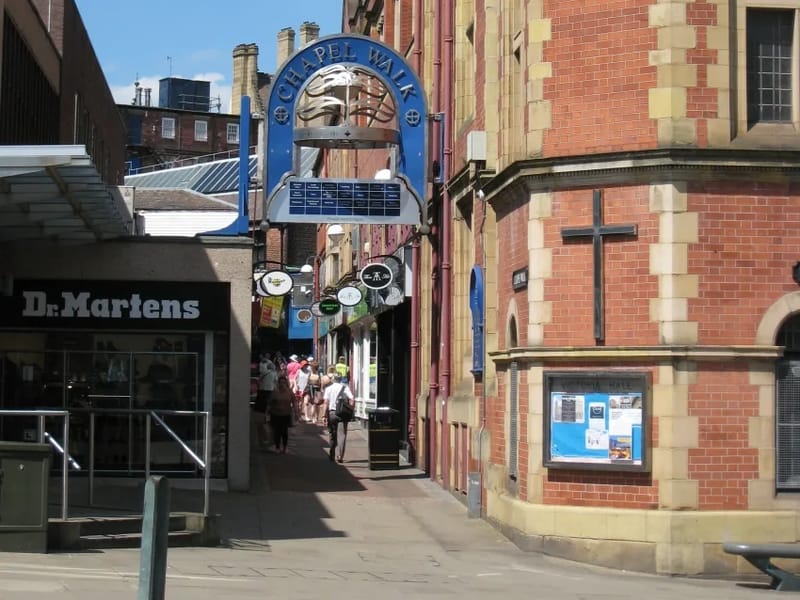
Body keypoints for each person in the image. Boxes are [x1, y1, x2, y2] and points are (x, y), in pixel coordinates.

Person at [324, 375, 355, 463]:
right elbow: (352, 399)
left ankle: (332, 454)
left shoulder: (328, 388)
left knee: (332, 434)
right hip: (342, 413)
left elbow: (326, 403)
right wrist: (351, 409)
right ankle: (340, 456)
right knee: (342, 435)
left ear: (333, 380)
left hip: (332, 413)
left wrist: (324, 415)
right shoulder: (345, 387)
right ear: (340, 380)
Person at [268, 375, 294, 454]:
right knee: (277, 431)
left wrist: (296, 412)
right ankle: (277, 447)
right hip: (275, 414)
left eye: (284, 383)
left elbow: (294, 401)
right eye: (280, 383)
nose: (282, 384)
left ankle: (285, 447)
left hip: (286, 414)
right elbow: (270, 402)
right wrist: (267, 412)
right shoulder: (274, 392)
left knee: (284, 431)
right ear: (278, 383)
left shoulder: (289, 392)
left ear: (286, 383)